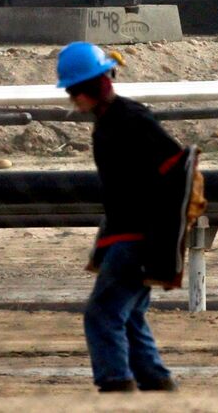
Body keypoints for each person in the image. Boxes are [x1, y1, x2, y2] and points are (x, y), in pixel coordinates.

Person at [57, 41, 200, 395]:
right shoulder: (111, 123)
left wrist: (159, 240)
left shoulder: (131, 120)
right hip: (129, 236)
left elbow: (175, 173)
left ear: (97, 86)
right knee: (129, 314)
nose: (76, 98)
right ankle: (155, 379)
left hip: (136, 239)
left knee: (102, 314)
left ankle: (116, 384)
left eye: (78, 90)